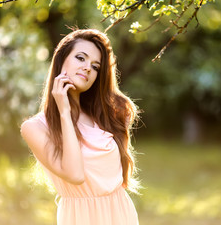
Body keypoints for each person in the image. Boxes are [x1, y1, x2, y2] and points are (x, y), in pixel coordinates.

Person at [20, 28, 140, 225]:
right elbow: (75, 175)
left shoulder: (107, 116)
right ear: (61, 60)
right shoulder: (35, 128)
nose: (87, 68)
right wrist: (64, 113)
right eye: (80, 58)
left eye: (95, 67)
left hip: (121, 215)